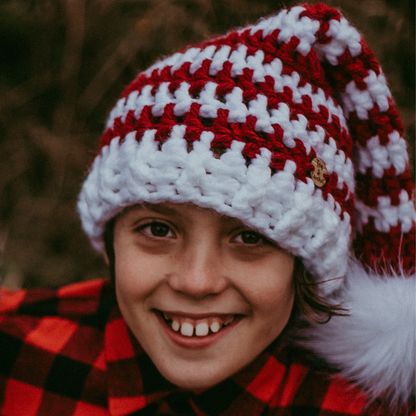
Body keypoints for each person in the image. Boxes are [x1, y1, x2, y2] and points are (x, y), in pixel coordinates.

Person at [0, 3, 414, 415]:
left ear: (308, 268)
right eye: (158, 230)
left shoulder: (367, 410)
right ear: (110, 239)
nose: (196, 282)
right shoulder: (16, 356)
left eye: (250, 237)